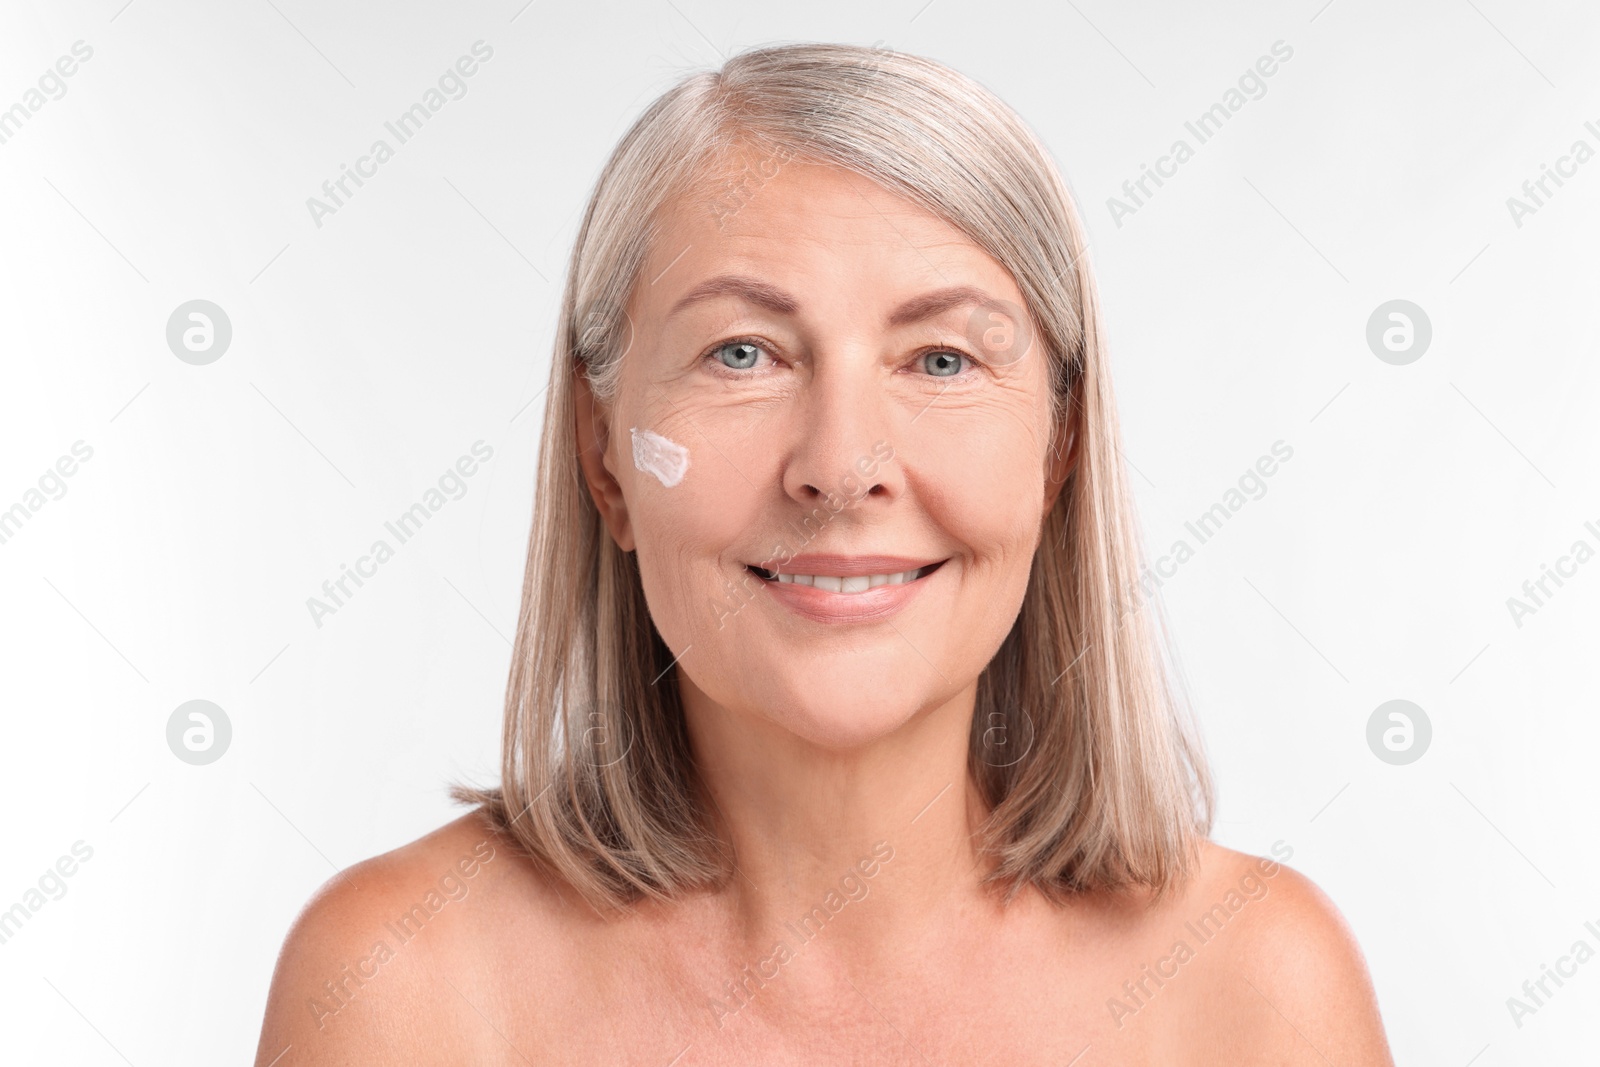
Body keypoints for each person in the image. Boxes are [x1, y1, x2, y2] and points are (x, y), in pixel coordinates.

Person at [256, 42, 1393, 1064]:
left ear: (1059, 449)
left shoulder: (1253, 985)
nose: (842, 466)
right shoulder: (402, 990)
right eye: (742, 353)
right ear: (602, 457)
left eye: (941, 359)